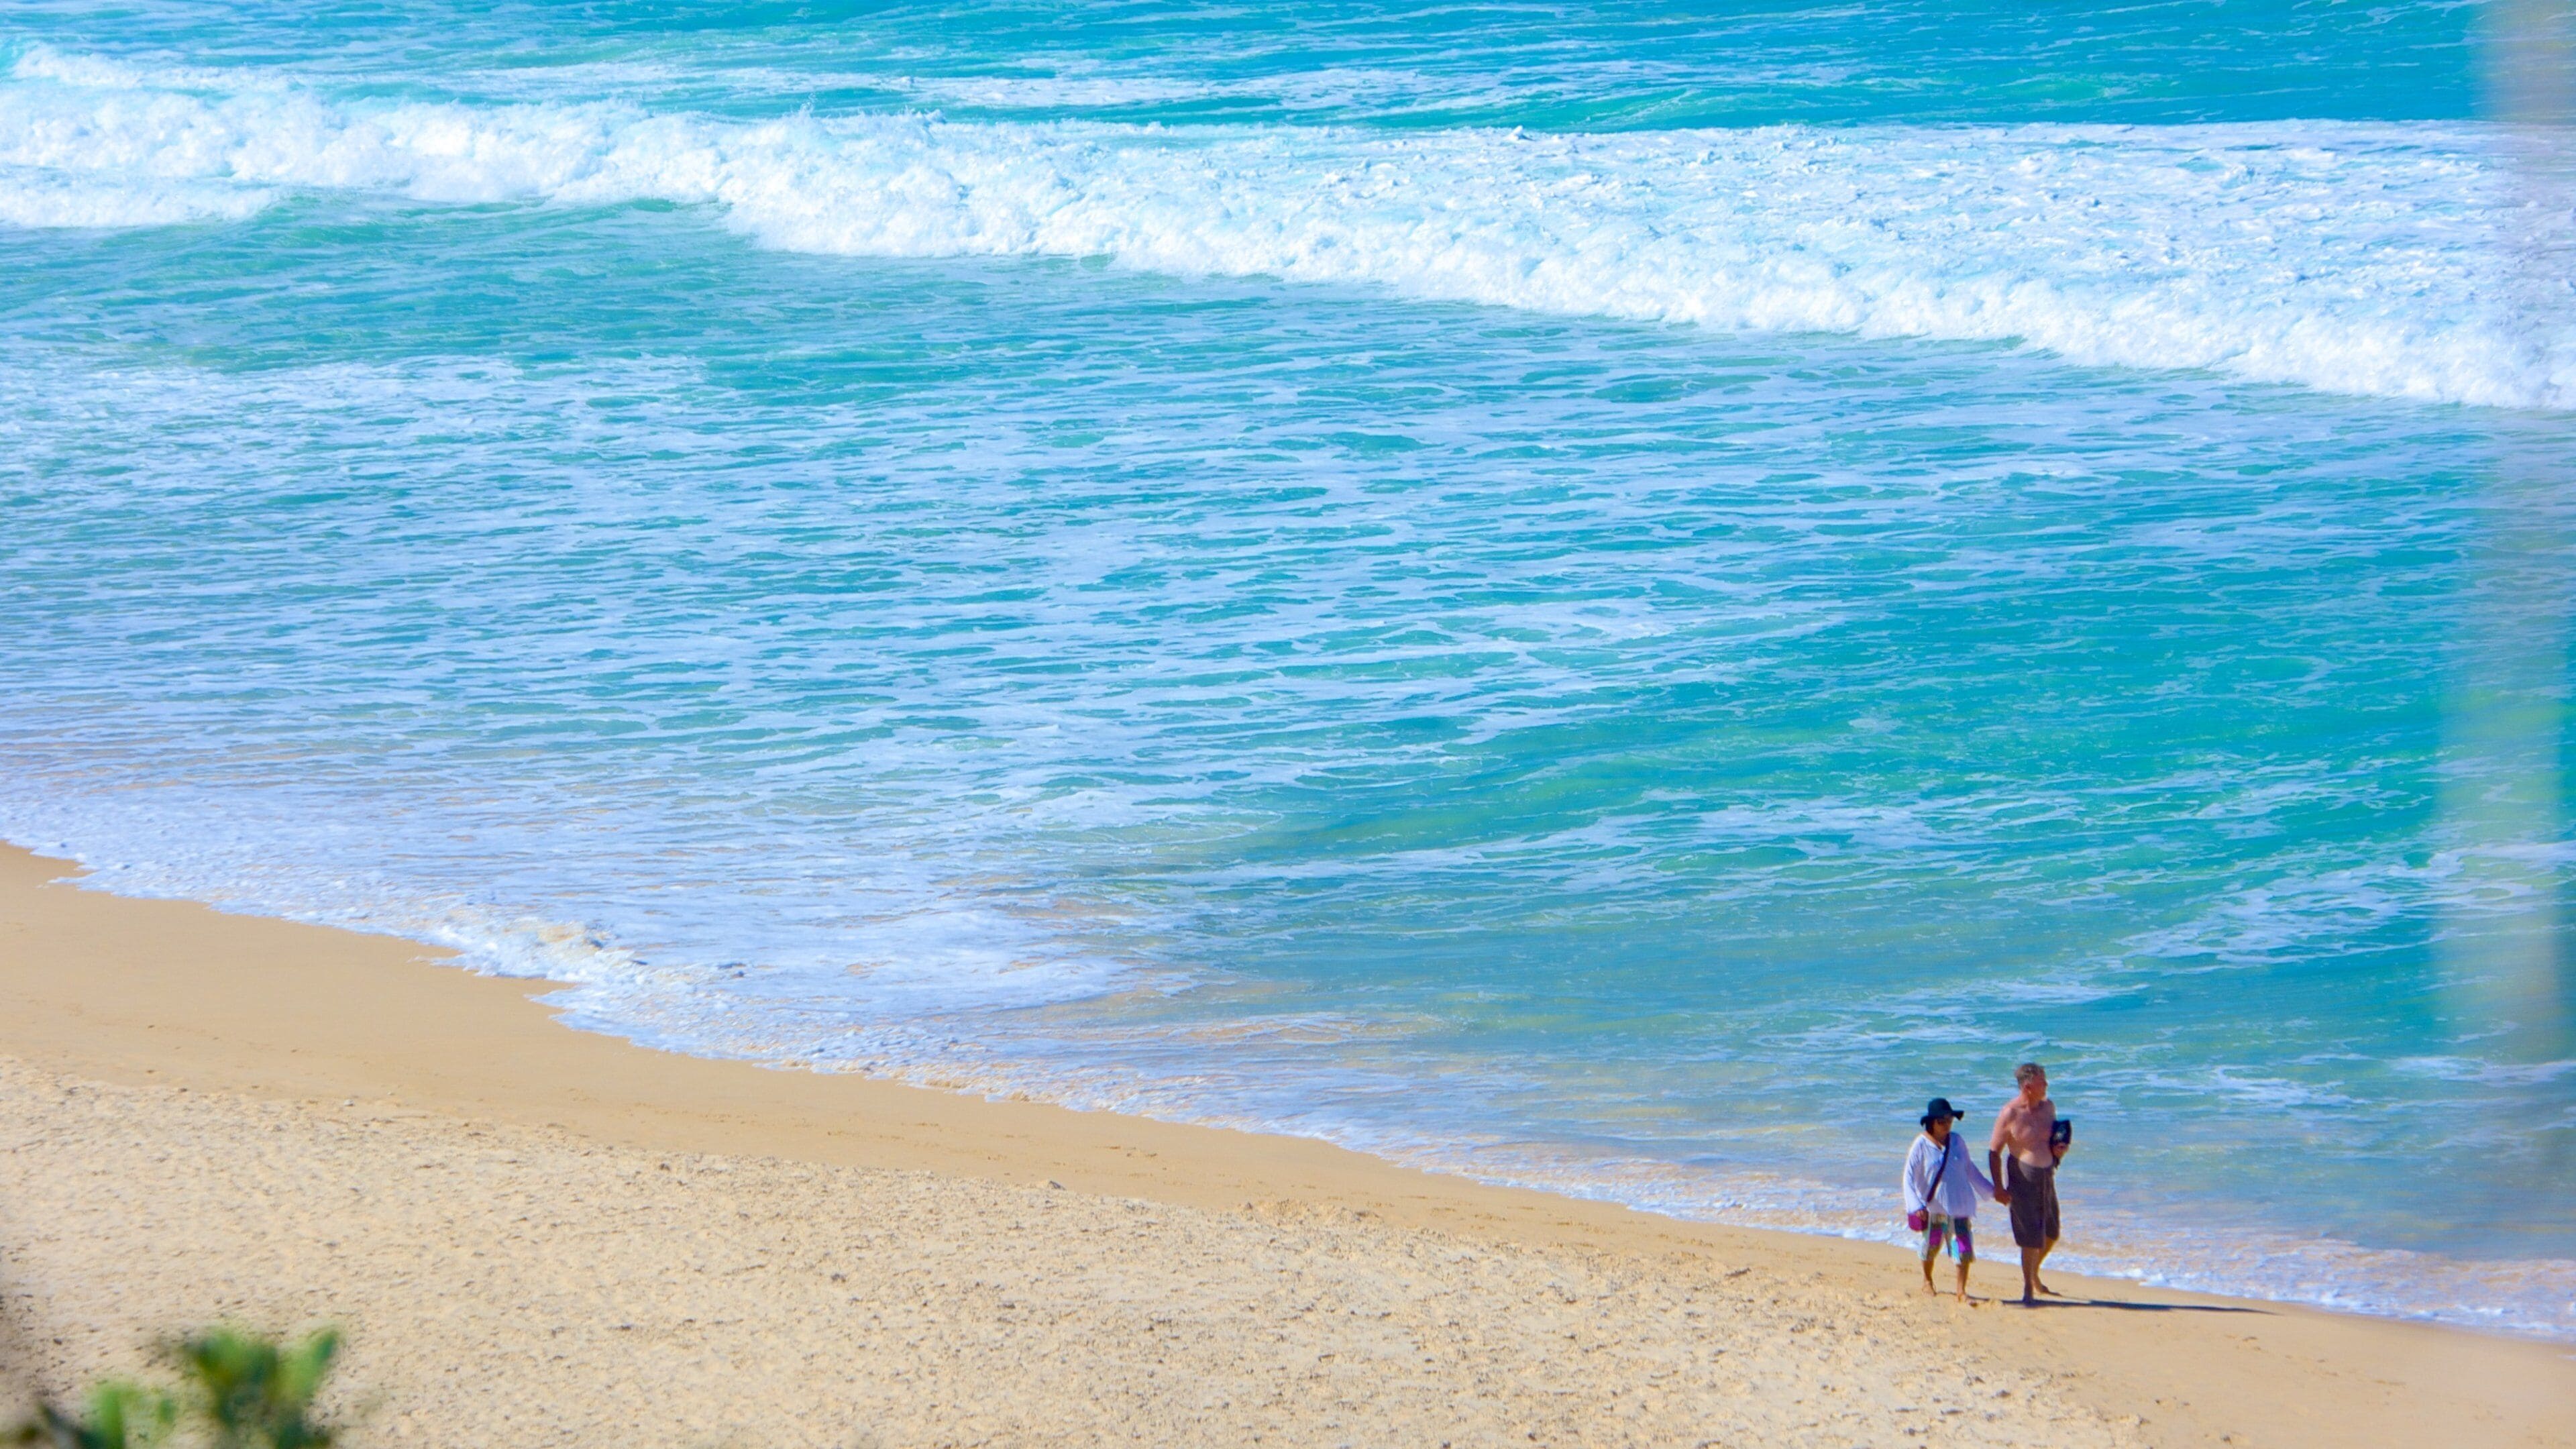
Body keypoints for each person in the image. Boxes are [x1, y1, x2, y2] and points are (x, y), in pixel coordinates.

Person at [1988, 1061, 2068, 1305]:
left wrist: (2059, 1150)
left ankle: (2034, 1273)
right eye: (2042, 1080)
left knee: (2052, 1233)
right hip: (2022, 1177)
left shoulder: (2049, 1108)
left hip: (2047, 1175)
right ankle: (2027, 1289)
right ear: (2028, 1086)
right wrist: (1999, 1187)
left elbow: (2053, 1140)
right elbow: (1994, 1151)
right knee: (2029, 1238)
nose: (2046, 1084)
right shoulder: (2010, 1113)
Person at [1902, 1097, 1996, 1303]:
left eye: (1949, 1120)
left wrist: (1991, 1191)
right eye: (1942, 1121)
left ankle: (1961, 1292)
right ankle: (1927, 1280)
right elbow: (1908, 1177)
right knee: (1931, 1246)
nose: (1947, 1125)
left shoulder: (1958, 1141)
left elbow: (1970, 1169)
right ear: (1932, 1122)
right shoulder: (1921, 1145)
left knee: (1963, 1248)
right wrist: (1915, 1206)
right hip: (1935, 1208)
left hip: (1960, 1206)